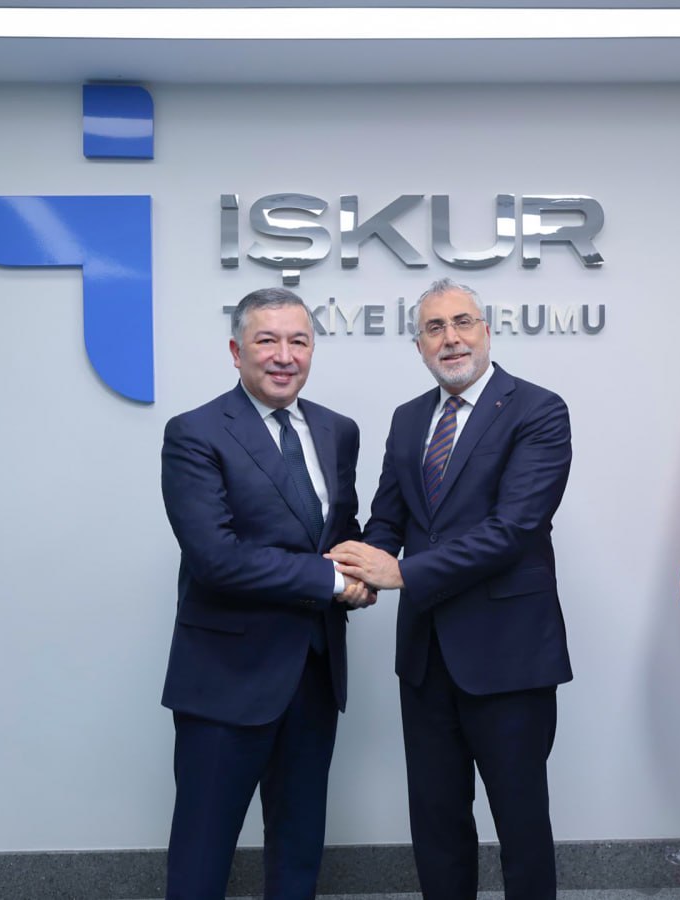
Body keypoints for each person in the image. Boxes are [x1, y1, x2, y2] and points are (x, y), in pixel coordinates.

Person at [327, 278, 572, 900]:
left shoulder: (538, 410)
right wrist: (353, 569)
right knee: (436, 825)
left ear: (487, 331)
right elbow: (388, 520)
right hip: (426, 657)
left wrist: (404, 573)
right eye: (434, 328)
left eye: (463, 322)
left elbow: (514, 529)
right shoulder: (409, 419)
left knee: (521, 824)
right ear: (419, 345)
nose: (451, 338)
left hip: (509, 656)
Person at [160, 287, 371, 900]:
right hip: (226, 678)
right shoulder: (195, 432)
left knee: (299, 850)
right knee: (202, 856)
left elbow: (341, 530)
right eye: (267, 340)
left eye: (298, 341)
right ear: (236, 351)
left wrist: (367, 564)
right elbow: (216, 559)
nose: (284, 355)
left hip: (314, 672)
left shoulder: (338, 430)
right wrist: (334, 581)